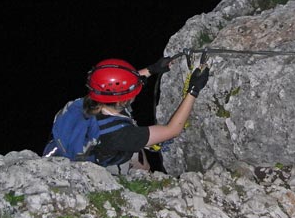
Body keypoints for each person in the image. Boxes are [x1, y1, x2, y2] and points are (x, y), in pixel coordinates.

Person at [44, 57, 209, 175]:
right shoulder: (120, 134)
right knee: (143, 167)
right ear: (122, 100)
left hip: (87, 144)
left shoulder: (86, 101)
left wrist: (152, 69)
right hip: (98, 162)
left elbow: (114, 87)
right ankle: (135, 177)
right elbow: (173, 130)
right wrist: (193, 90)